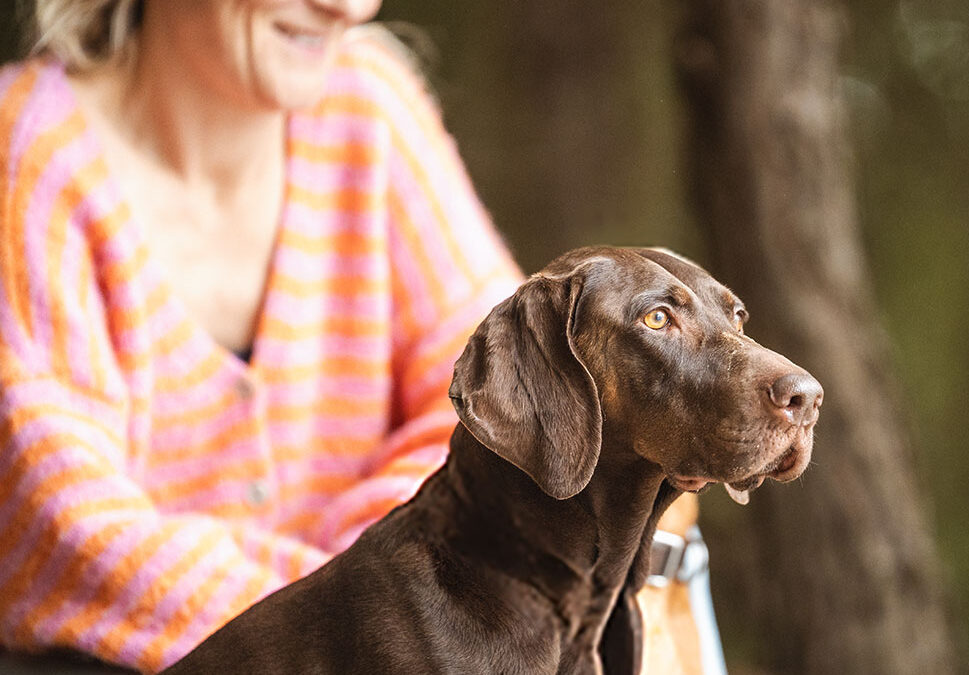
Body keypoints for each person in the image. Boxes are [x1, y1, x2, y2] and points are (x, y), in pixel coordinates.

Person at [0, 1, 720, 672]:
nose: (351, 7)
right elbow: (76, 537)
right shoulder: (22, 155)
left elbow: (523, 408)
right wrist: (386, 584)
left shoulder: (368, 105)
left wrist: (379, 574)